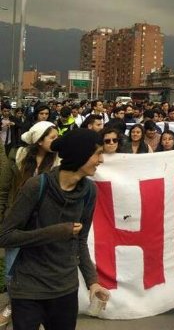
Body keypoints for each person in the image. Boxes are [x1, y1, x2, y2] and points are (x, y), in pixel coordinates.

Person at [0, 128, 110, 330]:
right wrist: (56, 232)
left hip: (65, 290)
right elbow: (5, 236)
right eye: (98, 153)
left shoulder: (89, 192)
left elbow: (80, 241)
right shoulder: (36, 186)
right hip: (28, 290)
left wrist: (92, 282)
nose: (101, 159)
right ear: (80, 155)